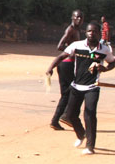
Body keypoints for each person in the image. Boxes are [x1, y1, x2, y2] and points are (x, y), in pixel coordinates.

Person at [46, 22, 115, 155]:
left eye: (94, 31)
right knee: (70, 115)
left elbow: (112, 62)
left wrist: (105, 69)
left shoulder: (104, 49)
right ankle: (81, 134)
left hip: (92, 87)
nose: (91, 33)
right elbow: (61, 56)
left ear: (99, 33)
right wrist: (50, 68)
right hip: (76, 86)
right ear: (86, 32)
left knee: (89, 115)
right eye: (89, 31)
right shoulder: (77, 45)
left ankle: (90, 146)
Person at [48, 9, 84, 130]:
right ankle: (61, 118)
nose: (78, 19)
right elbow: (60, 46)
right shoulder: (71, 30)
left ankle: (60, 119)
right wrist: (71, 51)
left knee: (70, 92)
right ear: (72, 18)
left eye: (80, 18)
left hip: (70, 64)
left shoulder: (77, 30)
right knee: (68, 93)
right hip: (66, 64)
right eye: (76, 17)